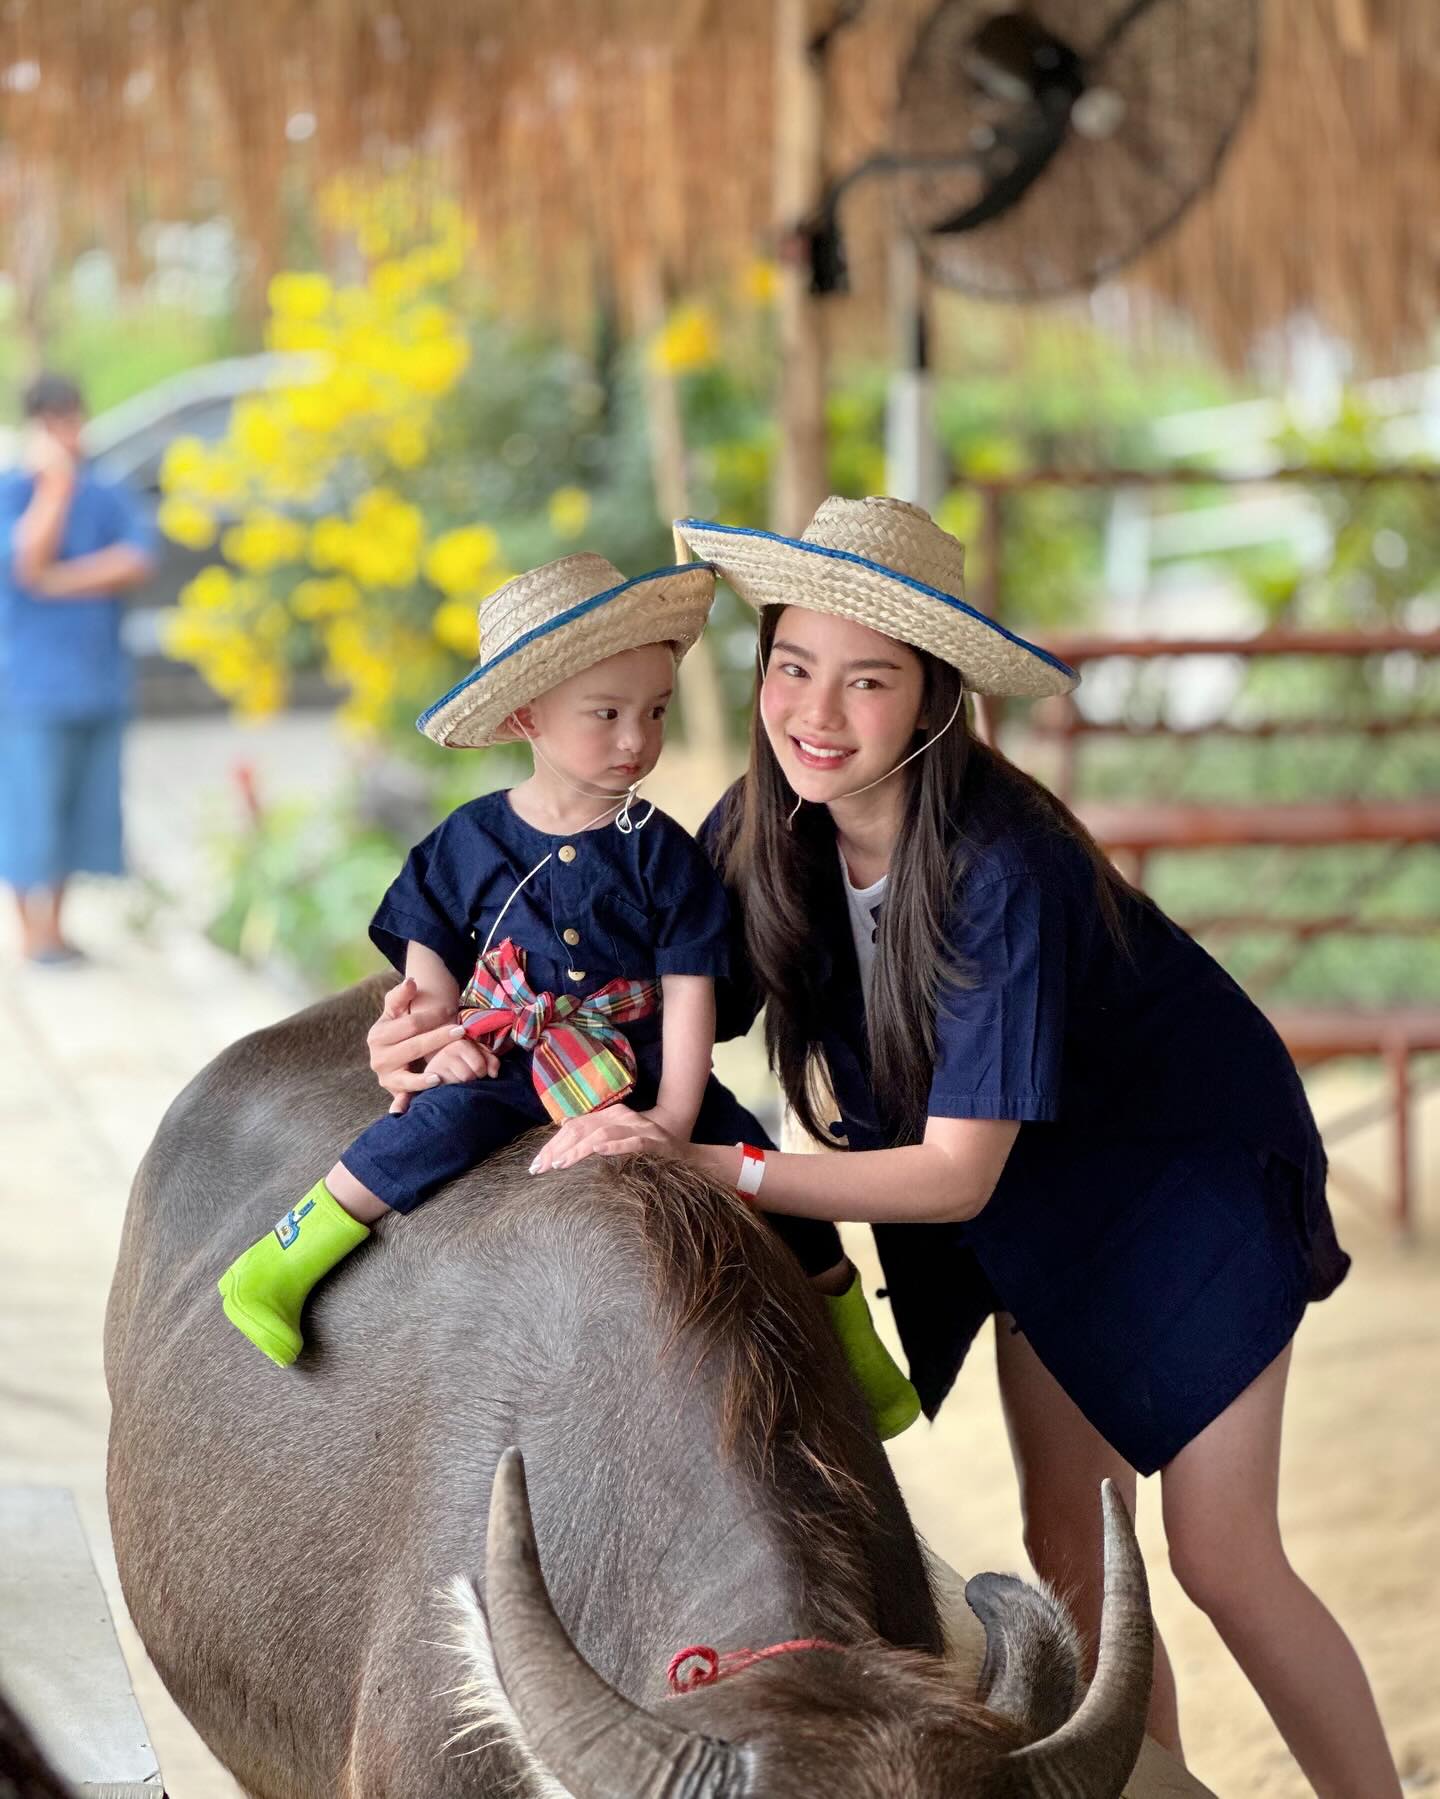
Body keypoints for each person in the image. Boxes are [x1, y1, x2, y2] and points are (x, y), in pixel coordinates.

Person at [527, 497, 1403, 1798]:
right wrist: (462, 1021)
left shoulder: (1006, 866)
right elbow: (645, 991)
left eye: (867, 678)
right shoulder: (773, 818)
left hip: (1182, 1183)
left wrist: (725, 1171)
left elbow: (951, 1175)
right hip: (1034, 1202)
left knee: (1222, 1553)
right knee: (1076, 1550)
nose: (816, 709)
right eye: (791, 665)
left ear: (936, 698)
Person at [217, 550, 916, 1436]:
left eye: (655, 712)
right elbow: (426, 959)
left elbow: (690, 990)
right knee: (425, 1131)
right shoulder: (464, 841)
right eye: (607, 714)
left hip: (637, 1053)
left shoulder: (663, 852)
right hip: (510, 1050)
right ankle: (282, 1262)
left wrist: (670, 1116)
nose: (638, 740)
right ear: (527, 714)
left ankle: (851, 1344)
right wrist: (439, 1035)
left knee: (755, 1162)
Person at [0, 372, 155, 964]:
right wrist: (55, 488)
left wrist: (58, 580)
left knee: (78, 811)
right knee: (27, 809)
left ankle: (56, 930)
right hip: (29, 688)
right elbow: (24, 561)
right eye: (55, 423)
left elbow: (135, 559)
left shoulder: (109, 492)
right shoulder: (18, 491)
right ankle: (28, 932)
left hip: (96, 683)